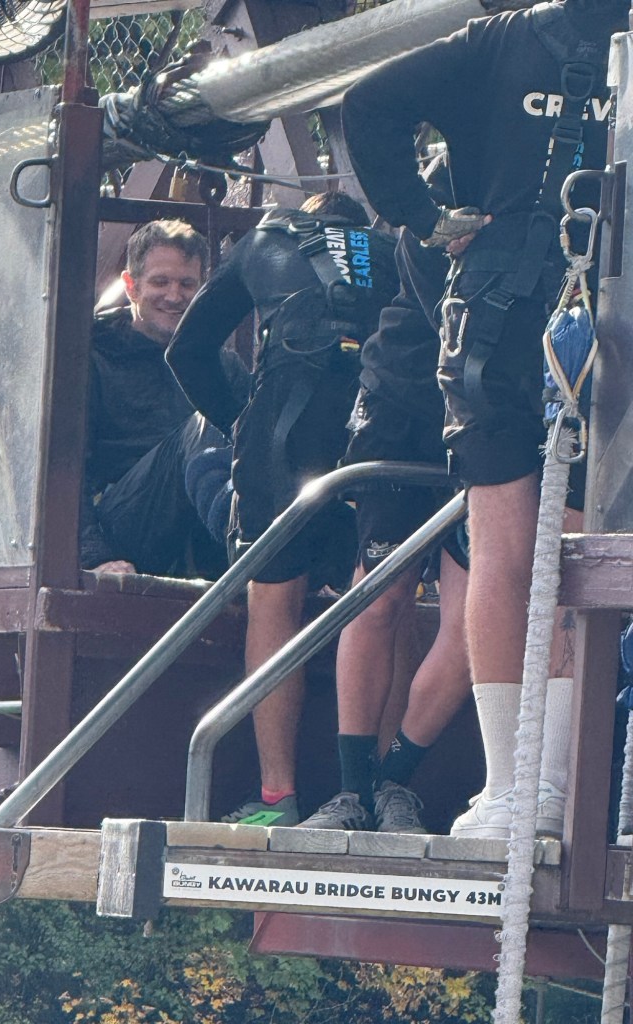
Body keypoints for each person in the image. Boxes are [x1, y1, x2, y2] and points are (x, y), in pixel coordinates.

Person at [339, 0, 628, 838]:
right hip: (607, 325)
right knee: (571, 553)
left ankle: (513, 788)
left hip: (497, 327)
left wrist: (423, 218)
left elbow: (368, 103)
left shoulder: (500, 41)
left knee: (509, 553)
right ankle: (549, 786)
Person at [167, 192, 398, 826]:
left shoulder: (265, 241)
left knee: (274, 602)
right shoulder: (391, 250)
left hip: (286, 428)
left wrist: (237, 422)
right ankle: (382, 788)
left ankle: (279, 796)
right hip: (379, 424)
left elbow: (187, 350)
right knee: (384, 598)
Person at [300, 164, 473, 833]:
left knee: (472, 622)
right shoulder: (441, 175)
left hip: (492, 418)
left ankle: (393, 780)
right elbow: (437, 291)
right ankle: (350, 794)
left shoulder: (550, 183)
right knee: (379, 597)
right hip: (403, 406)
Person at [81, 219, 246, 581]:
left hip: (197, 529)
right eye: (160, 282)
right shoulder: (93, 358)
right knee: (205, 424)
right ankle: (252, 552)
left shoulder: (224, 366)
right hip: (124, 524)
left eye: (186, 284)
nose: (174, 296)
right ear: (131, 286)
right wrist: (96, 556)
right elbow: (68, 472)